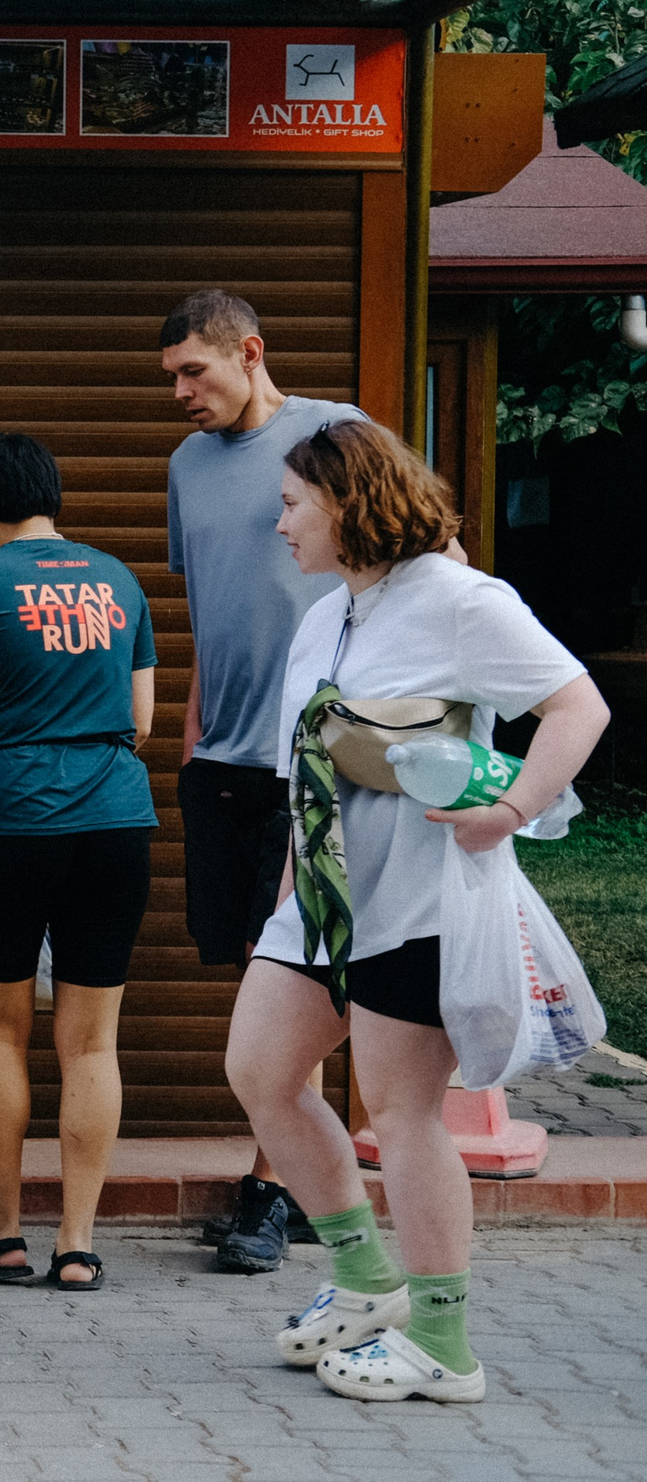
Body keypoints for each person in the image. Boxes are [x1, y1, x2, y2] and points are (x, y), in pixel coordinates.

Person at [230, 420, 607, 1404]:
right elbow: (308, 783)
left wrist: (512, 809)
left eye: (290, 505)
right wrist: (283, 915)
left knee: (402, 1113)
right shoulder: (327, 616)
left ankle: (444, 1348)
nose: (277, 525)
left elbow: (578, 705)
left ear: (346, 503)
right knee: (262, 1072)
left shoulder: (458, 601)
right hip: (318, 903)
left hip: (418, 901)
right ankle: (365, 1286)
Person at [161, 287, 369, 1271]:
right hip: (223, 763)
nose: (178, 392)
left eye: (192, 370)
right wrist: (194, 732)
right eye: (168, 377)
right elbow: (212, 608)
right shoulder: (185, 468)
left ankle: (272, 1193)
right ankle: (275, 1174)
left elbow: (423, 556)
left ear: (249, 352)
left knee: (286, 971)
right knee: (247, 970)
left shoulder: (335, 435)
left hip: (316, 766)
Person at [0, 435, 158, 1291]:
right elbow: (139, 720)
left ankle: (2, 1236)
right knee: (92, 1041)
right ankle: (76, 1244)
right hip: (115, 824)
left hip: (8, 824)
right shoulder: (121, 581)